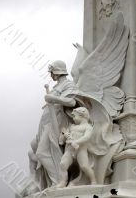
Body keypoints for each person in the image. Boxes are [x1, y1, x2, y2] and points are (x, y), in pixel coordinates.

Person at [29, 60, 78, 189]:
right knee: (34, 149)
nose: (51, 75)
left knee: (42, 152)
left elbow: (72, 102)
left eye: (52, 72)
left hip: (56, 122)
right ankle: (49, 182)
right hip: (46, 122)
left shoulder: (69, 85)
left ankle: (58, 181)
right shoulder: (57, 87)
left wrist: (53, 99)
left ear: (57, 71)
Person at [57, 107, 96, 188]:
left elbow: (86, 137)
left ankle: (93, 181)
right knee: (63, 164)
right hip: (69, 150)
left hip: (81, 150)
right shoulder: (72, 127)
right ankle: (63, 182)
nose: (73, 118)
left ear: (82, 115)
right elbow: (61, 141)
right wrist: (64, 135)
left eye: (74, 116)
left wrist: (76, 142)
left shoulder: (88, 127)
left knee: (84, 166)